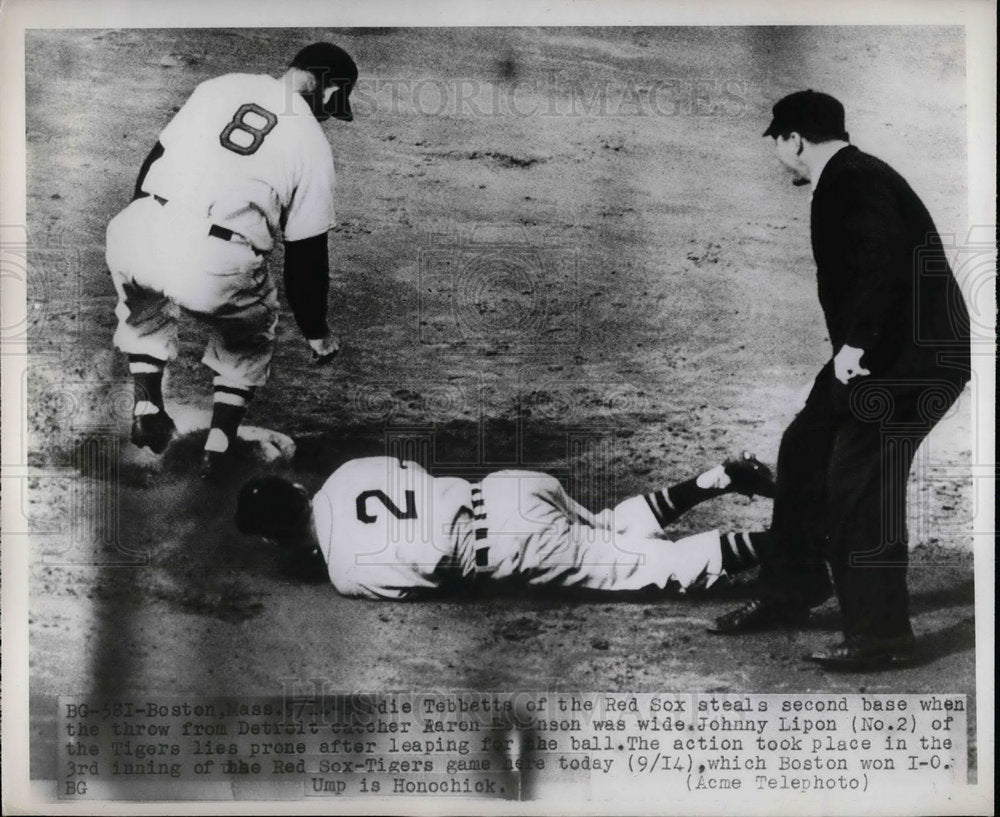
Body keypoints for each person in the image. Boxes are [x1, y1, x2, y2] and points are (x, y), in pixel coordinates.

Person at [710, 91, 971, 670]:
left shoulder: (851, 180)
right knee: (805, 447)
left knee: (860, 480)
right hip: (886, 354)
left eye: (777, 146)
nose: (781, 159)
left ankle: (882, 636)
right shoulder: (853, 176)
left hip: (913, 364)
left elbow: (883, 258)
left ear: (793, 140)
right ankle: (793, 587)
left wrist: (857, 343)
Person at [105, 42, 356, 478]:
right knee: (251, 334)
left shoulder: (221, 86)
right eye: (336, 105)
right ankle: (219, 447)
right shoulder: (312, 143)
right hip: (215, 264)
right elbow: (307, 257)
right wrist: (317, 332)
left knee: (142, 310)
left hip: (137, 227)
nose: (331, 114)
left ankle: (147, 401)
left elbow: (153, 161)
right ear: (330, 90)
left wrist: (143, 239)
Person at [234, 453, 778, 599]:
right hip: (509, 487)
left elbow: (435, 584)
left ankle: (794, 540)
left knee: (665, 569)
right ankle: (713, 480)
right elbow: (417, 478)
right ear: (299, 489)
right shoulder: (349, 473)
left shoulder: (347, 575)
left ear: (272, 539)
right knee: (608, 529)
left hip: (512, 548)